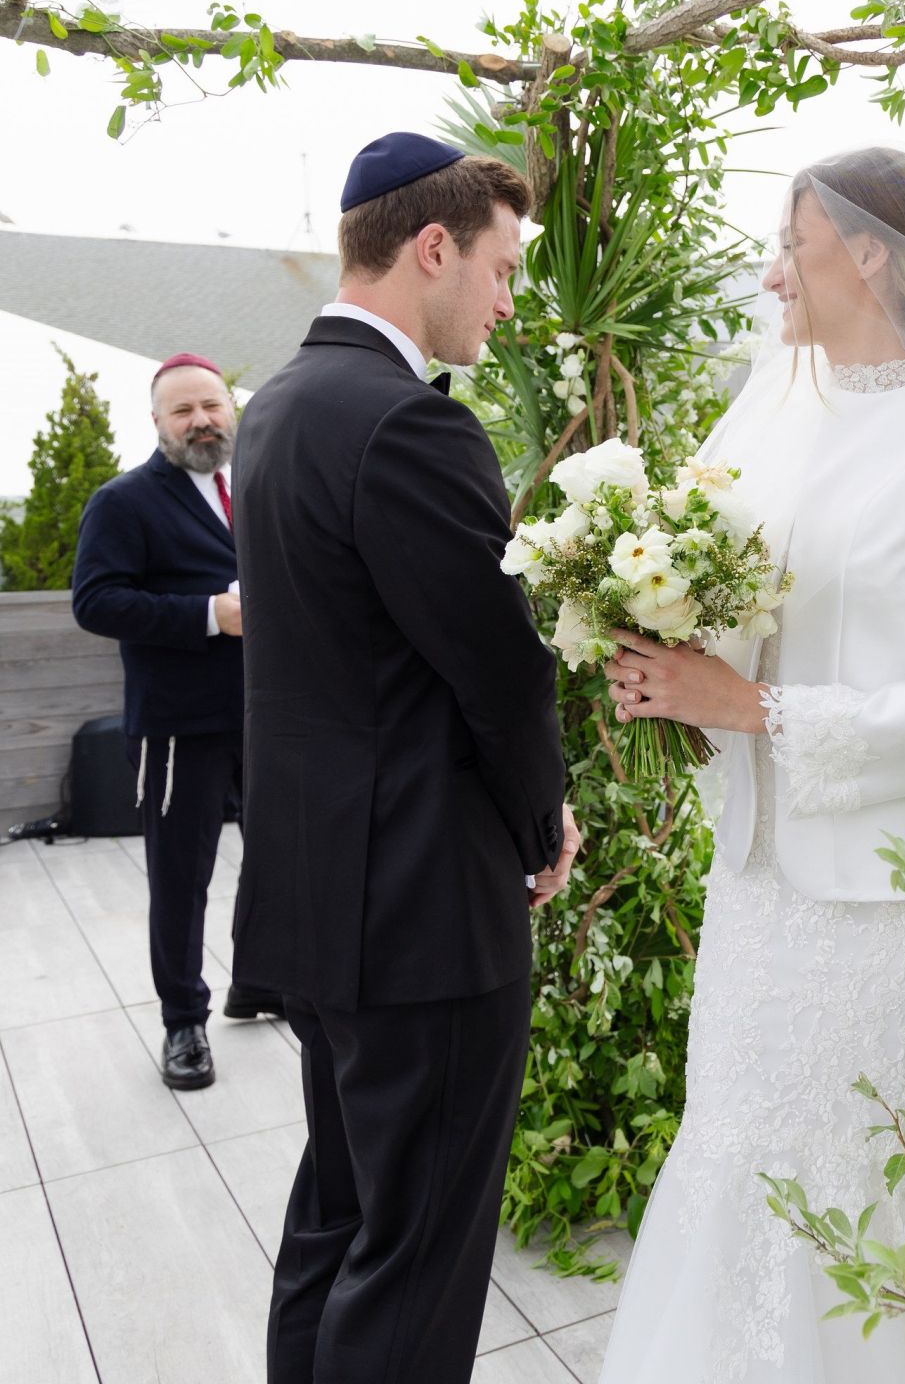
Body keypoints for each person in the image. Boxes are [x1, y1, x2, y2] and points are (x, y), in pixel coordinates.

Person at [593, 146, 905, 1382]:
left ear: (867, 253)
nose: (771, 273)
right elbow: (742, 645)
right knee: (742, 1160)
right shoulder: (766, 431)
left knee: (867, 1186)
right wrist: (664, 669)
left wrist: (756, 706)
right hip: (758, 891)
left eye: (789, 244)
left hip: (887, 905)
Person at [231, 133, 580, 1384]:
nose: (504, 296)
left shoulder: (274, 409)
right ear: (432, 247)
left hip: (319, 897)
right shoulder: (406, 425)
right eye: (499, 265)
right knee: (418, 1260)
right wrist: (545, 822)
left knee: (337, 1218)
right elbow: (499, 669)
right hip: (425, 915)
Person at [71, 351, 283, 1092]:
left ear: (232, 409)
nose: (201, 421)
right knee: (180, 879)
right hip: (178, 726)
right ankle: (183, 1022)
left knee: (277, 861)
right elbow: (94, 602)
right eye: (183, 411)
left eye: (211, 406)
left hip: (267, 717)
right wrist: (207, 616)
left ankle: (259, 984)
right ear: (157, 422)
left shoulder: (257, 485)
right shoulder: (124, 502)